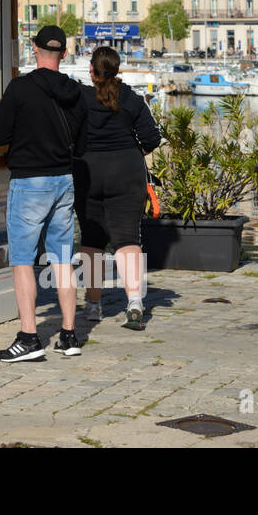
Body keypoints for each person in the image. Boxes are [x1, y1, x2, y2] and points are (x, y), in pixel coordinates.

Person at [0, 25, 87, 362]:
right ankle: (70, 335)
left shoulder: (20, 89)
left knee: (22, 261)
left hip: (29, 182)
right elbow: (83, 143)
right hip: (64, 180)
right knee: (62, 258)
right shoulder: (76, 92)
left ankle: (29, 337)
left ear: (34, 49)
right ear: (63, 52)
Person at [77, 47, 162, 331]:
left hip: (88, 172)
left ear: (91, 70)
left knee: (91, 239)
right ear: (117, 69)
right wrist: (131, 151)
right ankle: (135, 301)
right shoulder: (132, 98)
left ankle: (93, 306)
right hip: (127, 173)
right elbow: (152, 137)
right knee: (128, 238)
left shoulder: (81, 99)